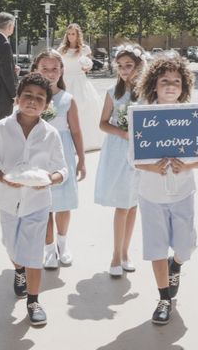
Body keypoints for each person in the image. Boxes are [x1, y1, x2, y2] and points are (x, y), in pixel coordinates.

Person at [0, 72, 68, 327]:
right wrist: (3, 178)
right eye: (27, 96)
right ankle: (18, 270)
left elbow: (61, 169)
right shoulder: (2, 128)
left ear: (47, 105)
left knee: (32, 252)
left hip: (38, 204)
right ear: (17, 98)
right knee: (12, 247)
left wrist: (50, 180)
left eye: (40, 98)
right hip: (8, 201)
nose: (33, 101)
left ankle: (34, 300)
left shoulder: (50, 134)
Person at [133, 55, 198, 325]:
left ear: (184, 86)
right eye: (165, 81)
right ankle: (164, 299)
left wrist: (187, 165)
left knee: (185, 247)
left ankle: (178, 264)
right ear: (154, 85)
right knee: (156, 247)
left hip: (183, 192)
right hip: (151, 194)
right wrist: (152, 167)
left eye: (176, 81)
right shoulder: (142, 114)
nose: (171, 86)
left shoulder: (192, 114)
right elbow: (133, 157)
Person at [94, 44, 146, 277]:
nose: (125, 70)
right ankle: (115, 255)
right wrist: (123, 133)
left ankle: (125, 253)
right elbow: (103, 123)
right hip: (118, 149)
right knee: (121, 204)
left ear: (139, 66)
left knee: (133, 203)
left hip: (142, 151)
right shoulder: (111, 92)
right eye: (121, 66)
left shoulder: (148, 93)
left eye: (129, 66)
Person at [32, 50, 86, 269]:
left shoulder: (67, 99)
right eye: (45, 69)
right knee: (44, 204)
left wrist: (81, 159)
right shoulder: (30, 96)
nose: (50, 73)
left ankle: (63, 244)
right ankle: (48, 248)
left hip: (62, 155)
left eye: (55, 69)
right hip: (39, 155)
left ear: (61, 70)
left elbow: (75, 131)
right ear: (36, 69)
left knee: (63, 203)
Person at [57, 23, 103, 151]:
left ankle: (85, 141)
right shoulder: (62, 49)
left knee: (84, 107)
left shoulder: (84, 49)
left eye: (73, 34)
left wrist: (87, 67)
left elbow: (89, 65)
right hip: (66, 81)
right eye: (69, 34)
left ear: (78, 35)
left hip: (80, 81)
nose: (71, 36)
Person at [0, 12, 19, 122]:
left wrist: (13, 69)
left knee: (1, 123)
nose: (13, 28)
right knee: (3, 124)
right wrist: (14, 94)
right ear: (10, 25)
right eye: (13, 25)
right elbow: (6, 73)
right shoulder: (4, 44)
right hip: (4, 92)